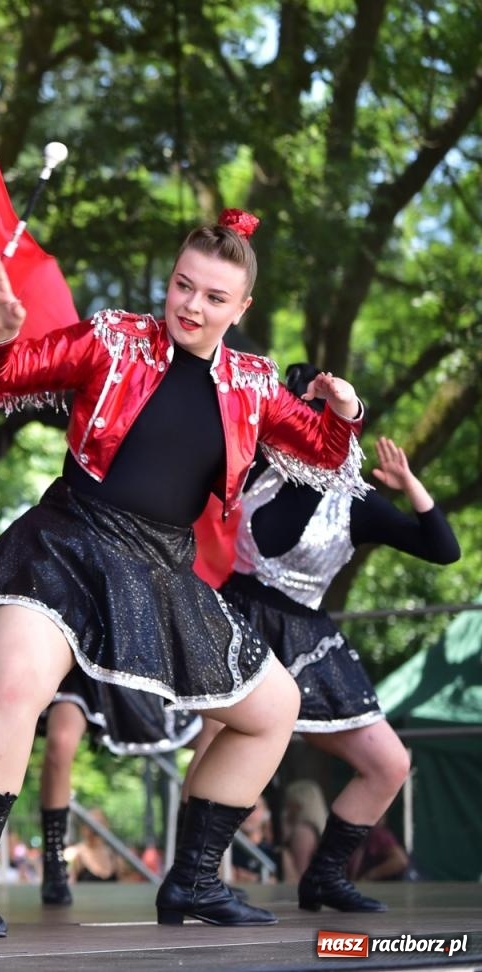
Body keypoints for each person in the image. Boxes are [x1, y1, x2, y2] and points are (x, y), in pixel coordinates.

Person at [0, 210, 368, 937]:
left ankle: (195, 882)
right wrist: (3, 333)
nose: (190, 306)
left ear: (241, 310)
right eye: (182, 285)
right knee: (15, 682)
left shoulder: (256, 383)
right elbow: (2, 378)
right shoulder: (110, 338)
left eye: (211, 297)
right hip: (69, 540)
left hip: (163, 568)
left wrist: (346, 410)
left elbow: (326, 454)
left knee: (274, 709)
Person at [184, 373, 458, 913]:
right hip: (239, 619)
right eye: (299, 407)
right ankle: (195, 879)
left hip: (308, 638)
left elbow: (443, 549)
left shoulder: (358, 500)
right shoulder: (256, 463)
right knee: (214, 746)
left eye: (323, 409)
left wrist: (410, 484)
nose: (308, 419)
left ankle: (325, 876)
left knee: (389, 763)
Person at [35, 682, 200, 905]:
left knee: (214, 726)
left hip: (134, 655)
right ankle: (54, 863)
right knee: (61, 741)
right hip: (78, 660)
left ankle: (193, 872)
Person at [279, 779, 329, 882]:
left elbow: (300, 871)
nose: (286, 807)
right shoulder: (316, 828)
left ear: (298, 805)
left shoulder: (303, 832)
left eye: (289, 802)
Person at [69, 808, 122, 883]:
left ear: (107, 826)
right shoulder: (76, 854)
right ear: (83, 828)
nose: (95, 830)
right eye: (91, 824)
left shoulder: (114, 857)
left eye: (100, 823)